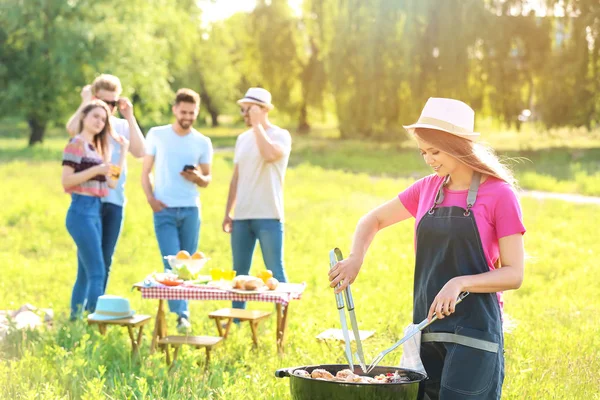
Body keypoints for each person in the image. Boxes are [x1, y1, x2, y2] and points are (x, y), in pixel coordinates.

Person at [328, 98, 526, 400]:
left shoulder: (499, 194)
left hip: (475, 332)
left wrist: (459, 283)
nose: (429, 160)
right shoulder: (427, 189)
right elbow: (373, 219)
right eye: (423, 152)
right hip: (427, 329)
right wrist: (356, 257)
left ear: (459, 145)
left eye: (435, 151)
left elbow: (514, 274)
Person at [141, 88, 213, 333]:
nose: (187, 116)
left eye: (192, 113)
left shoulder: (202, 141)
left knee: (188, 267)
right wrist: (150, 198)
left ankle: (181, 314)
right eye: (183, 112)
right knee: (172, 263)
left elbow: (207, 179)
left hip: (191, 209)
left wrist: (197, 177)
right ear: (174, 110)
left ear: (197, 112)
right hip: (164, 209)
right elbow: (145, 171)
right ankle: (181, 315)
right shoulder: (157, 135)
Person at [66, 74, 146, 292]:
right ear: (94, 99)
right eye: (104, 102)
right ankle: (81, 312)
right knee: (88, 263)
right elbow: (71, 130)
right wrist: (85, 102)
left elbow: (140, 152)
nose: (109, 108)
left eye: (114, 103)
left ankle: (96, 311)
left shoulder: (120, 126)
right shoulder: (88, 126)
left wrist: (129, 116)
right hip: (89, 201)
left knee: (105, 261)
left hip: (115, 200)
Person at [222, 88, 292, 313]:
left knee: (275, 271)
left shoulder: (280, 135)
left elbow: (269, 155)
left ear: (263, 110)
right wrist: (228, 211)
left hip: (269, 215)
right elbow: (236, 178)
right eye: (243, 108)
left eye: (249, 108)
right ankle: (237, 320)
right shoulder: (242, 139)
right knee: (239, 273)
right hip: (242, 217)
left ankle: (283, 323)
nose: (244, 113)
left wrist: (257, 126)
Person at [62, 100, 129, 320]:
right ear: (84, 116)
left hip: (95, 211)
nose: (100, 122)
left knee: (85, 273)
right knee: (97, 271)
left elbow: (111, 183)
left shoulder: (96, 150)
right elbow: (67, 181)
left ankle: (74, 320)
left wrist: (122, 152)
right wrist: (97, 170)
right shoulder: (76, 144)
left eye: (104, 119)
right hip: (81, 211)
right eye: (96, 117)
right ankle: (94, 322)